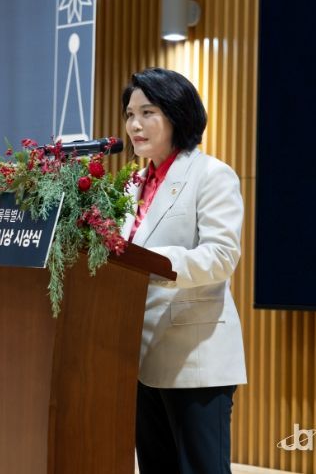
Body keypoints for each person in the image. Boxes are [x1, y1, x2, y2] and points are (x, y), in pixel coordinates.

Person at [120, 67, 247, 474]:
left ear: (177, 114)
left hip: (194, 358)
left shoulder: (211, 175)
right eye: (130, 114)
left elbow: (221, 255)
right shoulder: (131, 185)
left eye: (148, 112)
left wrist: (153, 261)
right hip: (139, 357)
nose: (134, 125)